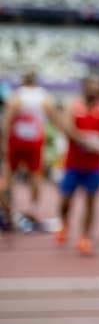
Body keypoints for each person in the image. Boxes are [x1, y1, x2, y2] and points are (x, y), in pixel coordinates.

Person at [55, 73, 99, 256]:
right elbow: (67, 127)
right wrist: (85, 141)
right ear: (85, 88)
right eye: (92, 87)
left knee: (91, 201)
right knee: (66, 200)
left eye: (98, 88)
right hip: (73, 163)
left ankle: (85, 237)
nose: (95, 91)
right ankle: (64, 223)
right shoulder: (73, 106)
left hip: (93, 165)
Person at [0, 71, 63, 228]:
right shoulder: (44, 97)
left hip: (16, 141)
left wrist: (3, 141)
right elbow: (55, 119)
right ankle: (33, 208)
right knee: (36, 174)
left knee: (10, 175)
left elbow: (7, 121)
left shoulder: (17, 97)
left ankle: (8, 210)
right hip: (34, 141)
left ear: (23, 81)